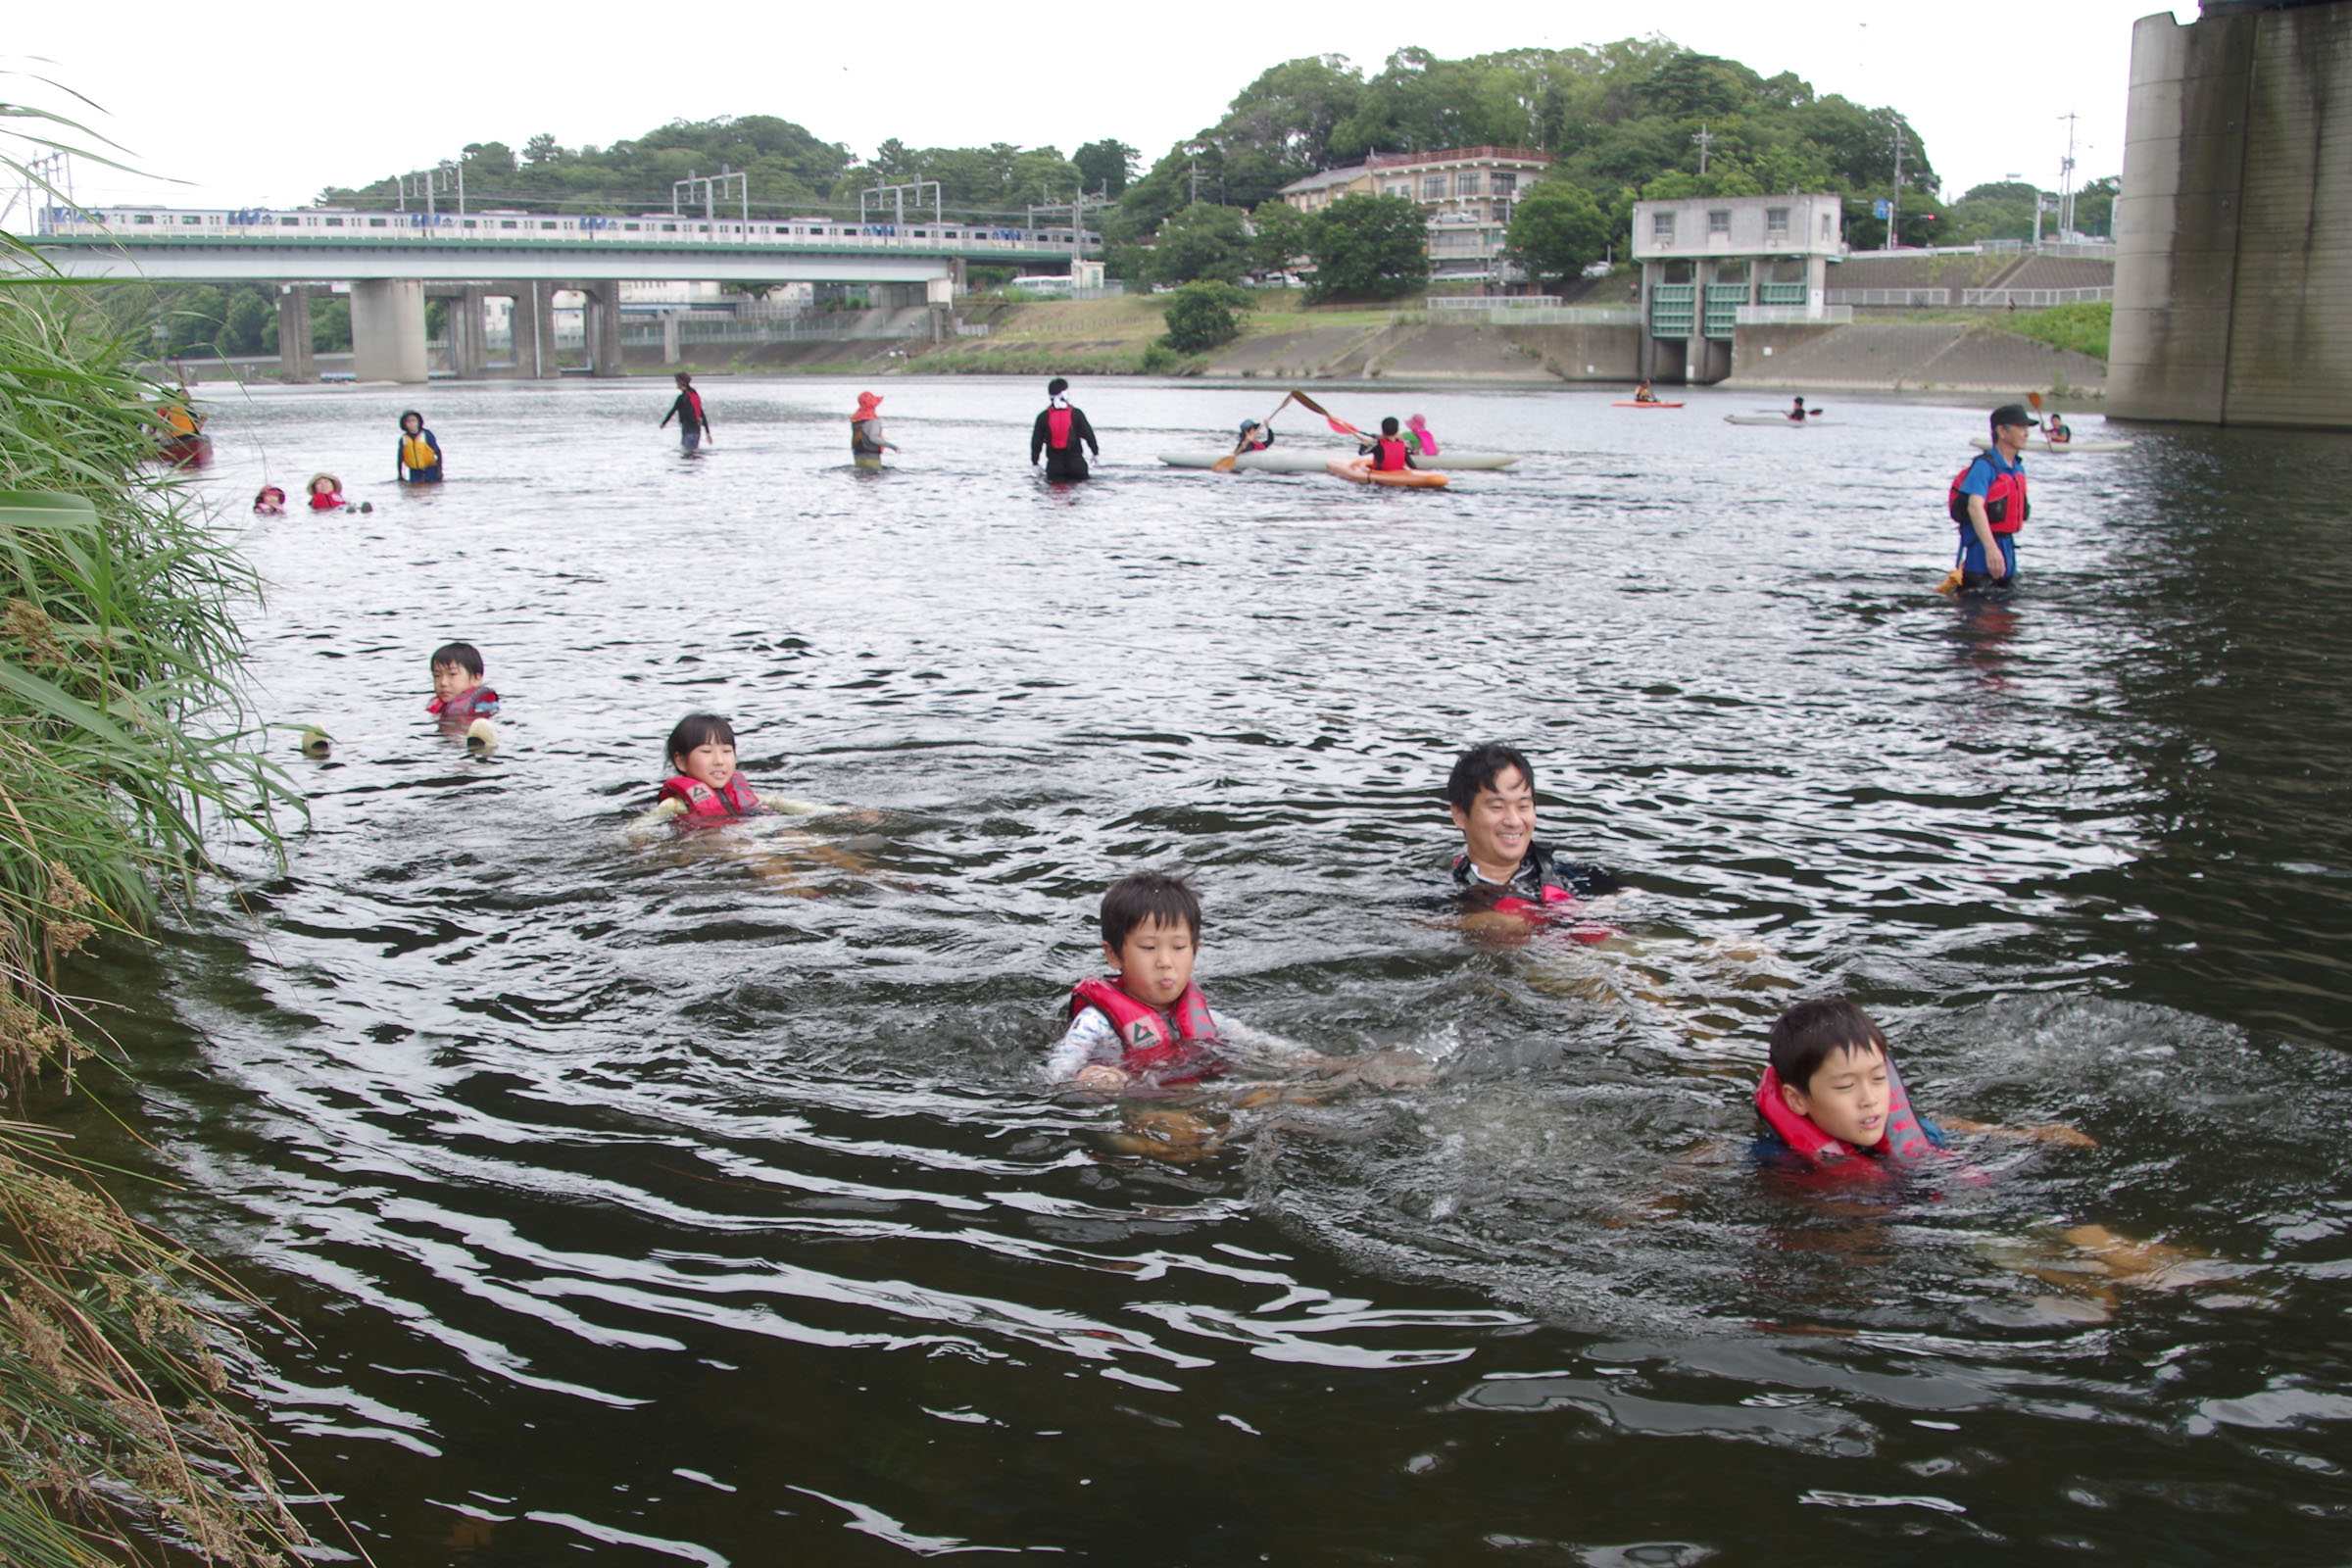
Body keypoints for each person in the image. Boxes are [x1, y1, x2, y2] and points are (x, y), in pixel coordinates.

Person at [1756, 998, 2092, 1172]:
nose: (1870, 1099)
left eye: (1877, 1079)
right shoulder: (1778, 1161)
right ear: (1797, 1100)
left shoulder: (1916, 1132)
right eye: (1845, 1087)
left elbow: (1954, 1127)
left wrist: (2032, 1134)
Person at [1047, 872, 1227, 1093]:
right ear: (1113, 955)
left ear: (1195, 951)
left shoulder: (1210, 1018)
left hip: (1191, 1094)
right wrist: (1086, 1079)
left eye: (1179, 947)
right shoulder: (1094, 1025)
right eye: (1148, 948)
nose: (1165, 962)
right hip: (1139, 1110)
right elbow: (1055, 1076)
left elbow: (1260, 1046)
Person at [1445, 743, 1618, 931]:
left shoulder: (1573, 877)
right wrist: (1478, 923)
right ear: (1460, 815)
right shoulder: (1443, 893)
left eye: (1523, 806)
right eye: (1497, 807)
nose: (1514, 821)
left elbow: (1633, 897)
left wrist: (1594, 912)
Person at [1950, 404, 2034, 593]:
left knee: (2008, 614)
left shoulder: (2017, 468)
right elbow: (1974, 507)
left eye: (2027, 428)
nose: (2026, 433)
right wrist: (1991, 548)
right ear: (2002, 432)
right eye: (2020, 428)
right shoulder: (1984, 467)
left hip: (2007, 549)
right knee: (1981, 613)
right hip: (1982, 551)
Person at [1029, 376, 1099, 481]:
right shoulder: (1076, 414)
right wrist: (1095, 452)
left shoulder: (1043, 417)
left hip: (1055, 467)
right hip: (1077, 465)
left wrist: (1035, 462)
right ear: (1065, 394)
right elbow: (1089, 434)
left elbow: (1036, 441)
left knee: (1055, 493)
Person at [425, 642, 500, 728]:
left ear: (476, 679)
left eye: (452, 674)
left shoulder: (483, 706)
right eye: (437, 675)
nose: (443, 683)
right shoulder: (437, 705)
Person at [662, 373, 712, 454]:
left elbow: (673, 411)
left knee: (686, 455)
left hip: (688, 432)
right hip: (697, 432)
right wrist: (707, 433)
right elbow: (702, 414)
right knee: (693, 454)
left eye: (676, 382)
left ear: (681, 383)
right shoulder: (694, 396)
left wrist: (663, 423)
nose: (676, 384)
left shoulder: (682, 398)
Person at [396, 411, 444, 483]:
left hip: (430, 470)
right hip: (414, 472)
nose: (411, 423)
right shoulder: (403, 439)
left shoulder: (427, 435)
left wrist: (439, 470)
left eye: (413, 420)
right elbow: (400, 458)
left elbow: (438, 452)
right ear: (404, 424)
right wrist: (400, 474)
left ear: (419, 422)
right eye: (408, 421)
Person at [850, 390, 897, 462]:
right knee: (874, 472)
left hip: (858, 454)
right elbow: (873, 438)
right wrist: (893, 447)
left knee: (861, 471)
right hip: (871, 456)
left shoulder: (856, 420)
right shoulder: (873, 421)